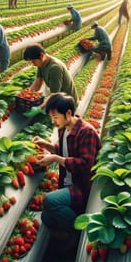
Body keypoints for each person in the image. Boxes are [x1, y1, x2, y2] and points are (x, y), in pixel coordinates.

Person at [31, 93, 101, 253]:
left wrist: (56, 159)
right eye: (51, 117)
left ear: (68, 113)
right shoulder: (64, 129)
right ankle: (68, 230)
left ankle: (77, 230)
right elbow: (61, 149)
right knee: (46, 217)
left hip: (82, 187)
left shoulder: (86, 133)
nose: (53, 121)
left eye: (55, 117)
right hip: (67, 183)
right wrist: (45, 144)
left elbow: (85, 164)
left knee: (50, 200)